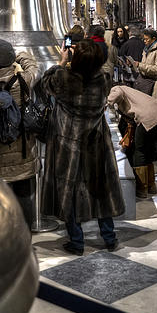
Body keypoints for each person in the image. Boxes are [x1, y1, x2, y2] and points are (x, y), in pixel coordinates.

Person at [40, 39, 124, 254]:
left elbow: (45, 83)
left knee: (68, 190)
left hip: (68, 143)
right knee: (100, 190)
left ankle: (77, 242)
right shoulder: (104, 80)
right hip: (95, 141)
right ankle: (109, 238)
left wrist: (61, 61)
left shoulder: (63, 79)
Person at [0, 39, 40, 228]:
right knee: (23, 199)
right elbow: (35, 67)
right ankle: (25, 240)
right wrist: (19, 55)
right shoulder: (22, 81)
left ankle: (4, 242)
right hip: (22, 150)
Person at [108, 85, 157, 198]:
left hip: (147, 118)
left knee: (139, 150)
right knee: (148, 150)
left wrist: (106, 103)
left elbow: (117, 94)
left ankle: (142, 188)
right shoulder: (130, 91)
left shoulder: (117, 88)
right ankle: (151, 186)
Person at [127, 28, 157, 105]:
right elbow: (144, 67)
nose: (144, 41)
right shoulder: (146, 50)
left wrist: (139, 65)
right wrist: (133, 65)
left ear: (153, 39)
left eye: (147, 39)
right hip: (147, 85)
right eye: (144, 39)